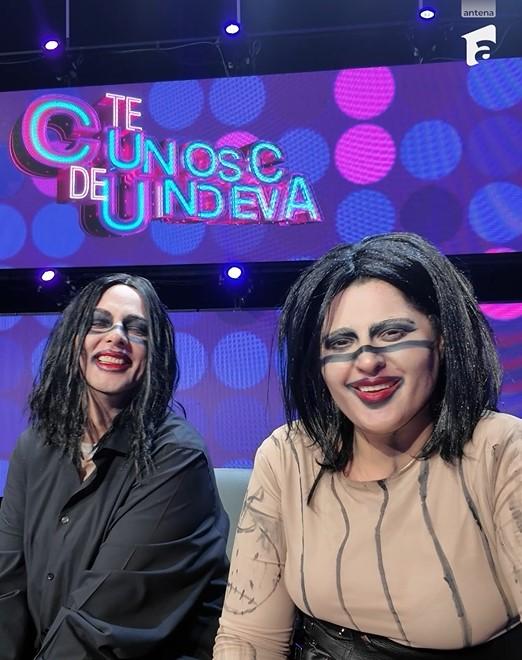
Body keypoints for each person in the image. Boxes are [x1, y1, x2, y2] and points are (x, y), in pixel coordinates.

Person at [213, 232, 522, 659]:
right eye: (340, 342)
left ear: (442, 339)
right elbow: (250, 638)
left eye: (392, 332)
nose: (367, 361)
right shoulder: (288, 454)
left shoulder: (502, 451)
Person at [0, 273, 229, 660]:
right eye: (99, 323)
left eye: (136, 329)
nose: (116, 336)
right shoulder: (34, 446)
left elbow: (101, 629)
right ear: (74, 340)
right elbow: (7, 585)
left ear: (154, 355)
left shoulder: (178, 457)